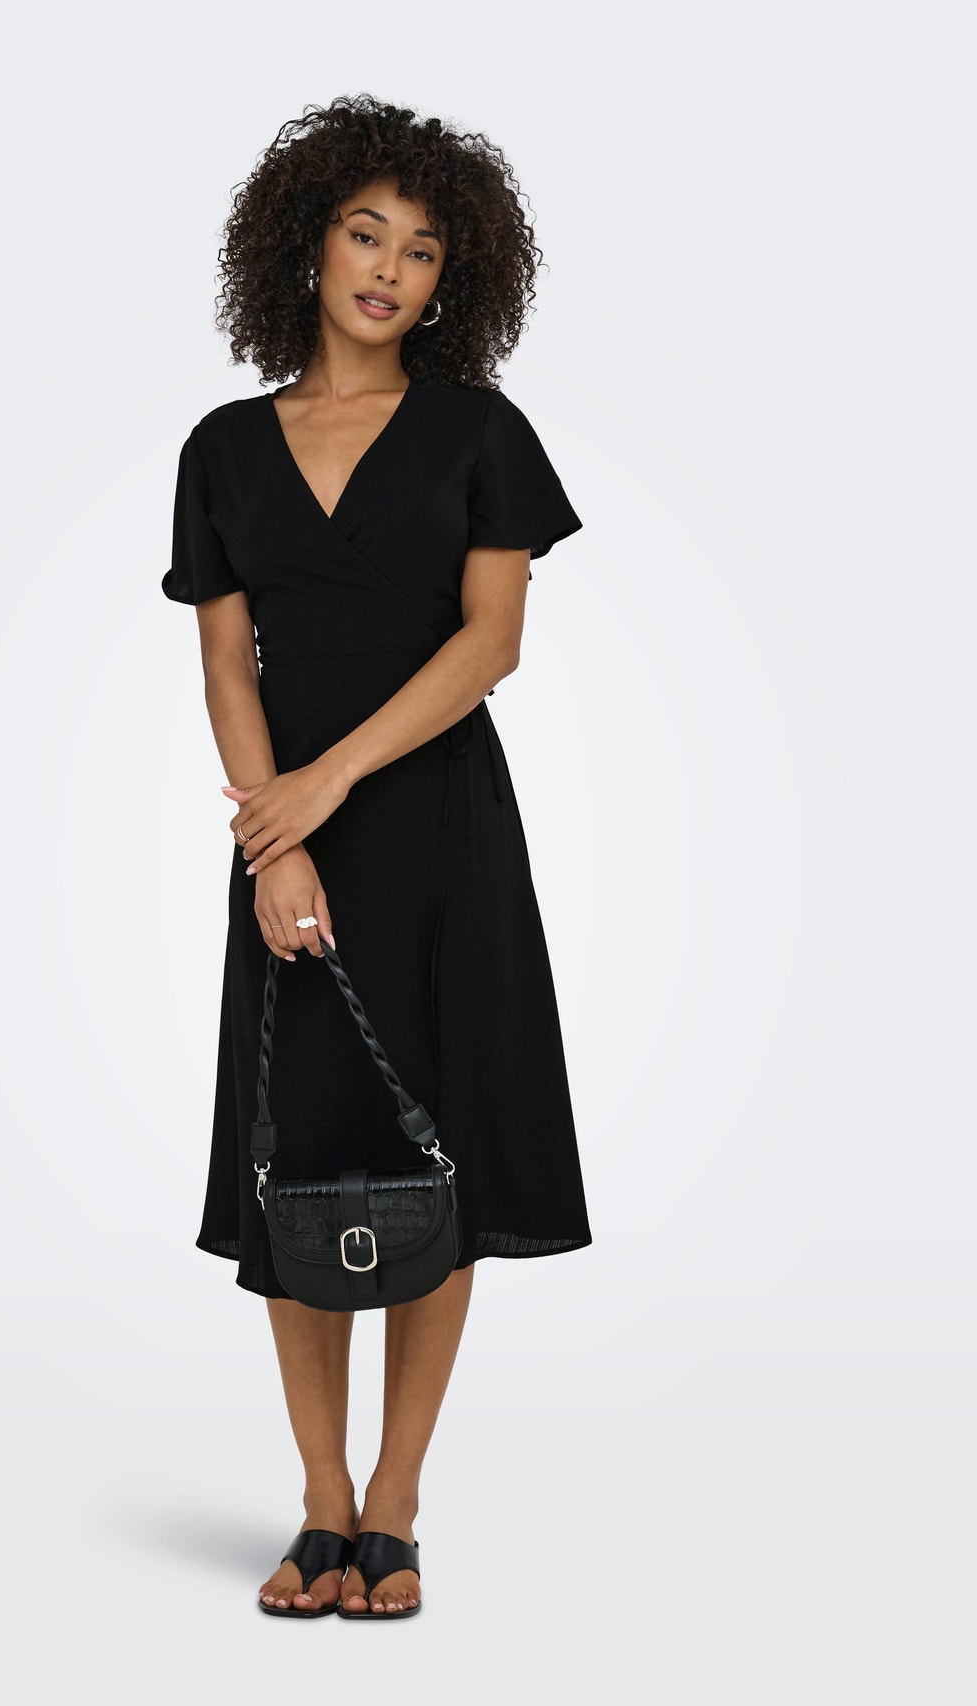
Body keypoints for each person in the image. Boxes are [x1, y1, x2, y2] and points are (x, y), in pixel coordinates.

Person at [162, 94, 592, 1621]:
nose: (389, 270)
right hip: (285, 841)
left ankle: (395, 1502)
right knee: (298, 1158)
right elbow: (226, 663)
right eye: (365, 234)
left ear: (450, 279)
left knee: (439, 1157)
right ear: (309, 241)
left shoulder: (480, 432)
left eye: (421, 250)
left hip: (440, 835)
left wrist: (326, 781)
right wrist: (270, 836)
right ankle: (320, 1499)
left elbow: (492, 643)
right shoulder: (223, 447)